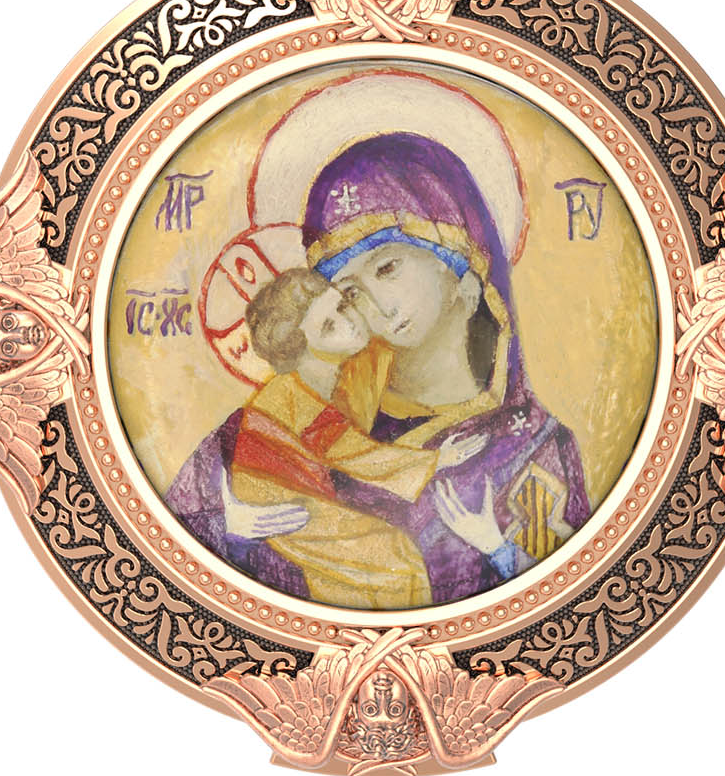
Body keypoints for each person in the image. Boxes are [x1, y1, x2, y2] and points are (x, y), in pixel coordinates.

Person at [167, 132, 590, 606]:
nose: (372, 303)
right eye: (348, 291)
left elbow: (562, 596)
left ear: (461, 265)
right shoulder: (277, 424)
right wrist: (227, 528)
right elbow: (172, 535)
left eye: (387, 268)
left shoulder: (534, 445)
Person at [224, 267, 484, 609]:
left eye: (343, 305)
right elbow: (352, 453)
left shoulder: (337, 375)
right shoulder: (296, 394)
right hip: (281, 507)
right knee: (395, 562)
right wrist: (434, 461)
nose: (350, 323)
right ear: (302, 350)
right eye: (329, 326)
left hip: (302, 498)